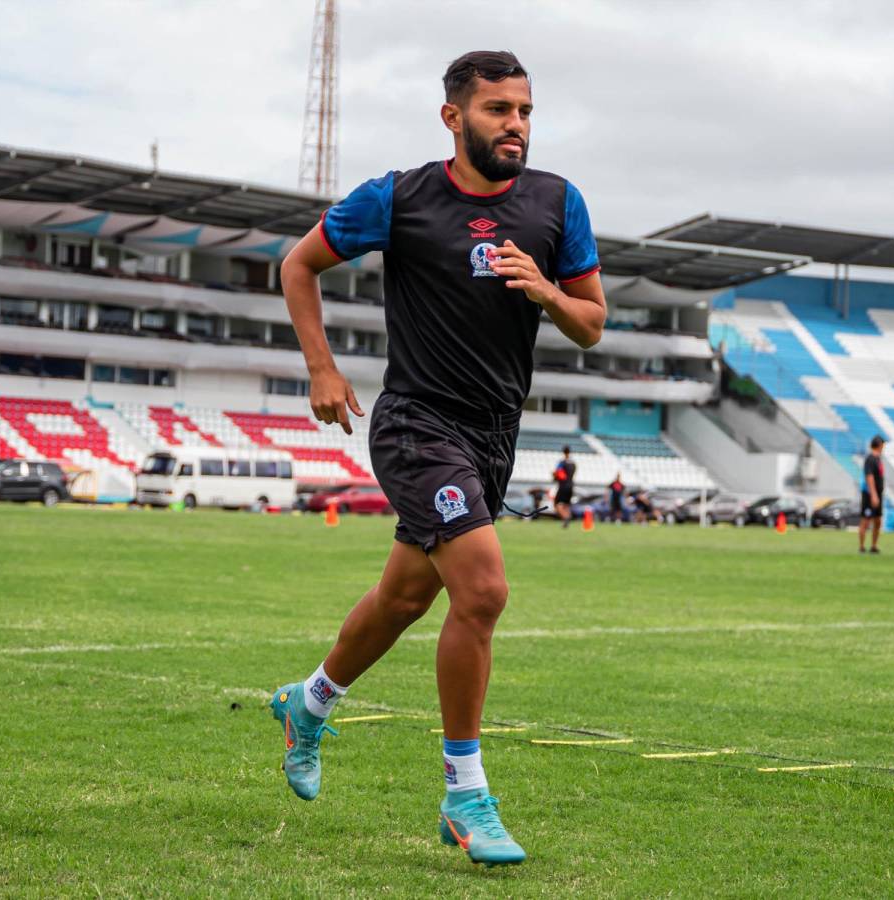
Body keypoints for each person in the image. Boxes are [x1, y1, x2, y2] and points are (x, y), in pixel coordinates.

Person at [269, 50, 605, 867]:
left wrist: (547, 292)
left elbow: (592, 322)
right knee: (484, 591)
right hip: (417, 423)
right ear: (454, 117)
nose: (515, 124)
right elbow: (298, 263)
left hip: (494, 436)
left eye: (524, 110)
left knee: (404, 599)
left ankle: (308, 705)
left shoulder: (559, 204)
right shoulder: (401, 197)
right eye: (497, 110)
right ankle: (465, 794)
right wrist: (320, 366)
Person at [858, 434, 886, 554]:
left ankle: (874, 546)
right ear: (879, 445)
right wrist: (873, 494)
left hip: (877, 494)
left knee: (877, 521)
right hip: (870, 495)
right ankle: (862, 546)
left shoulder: (878, 459)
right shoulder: (870, 459)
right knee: (866, 520)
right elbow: (869, 477)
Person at [553, 445, 577, 528]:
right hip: (571, 486)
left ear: (563, 452)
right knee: (566, 504)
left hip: (563, 486)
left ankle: (566, 517)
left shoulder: (562, 463)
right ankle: (566, 520)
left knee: (557, 504)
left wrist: (554, 476)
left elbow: (557, 473)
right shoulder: (573, 463)